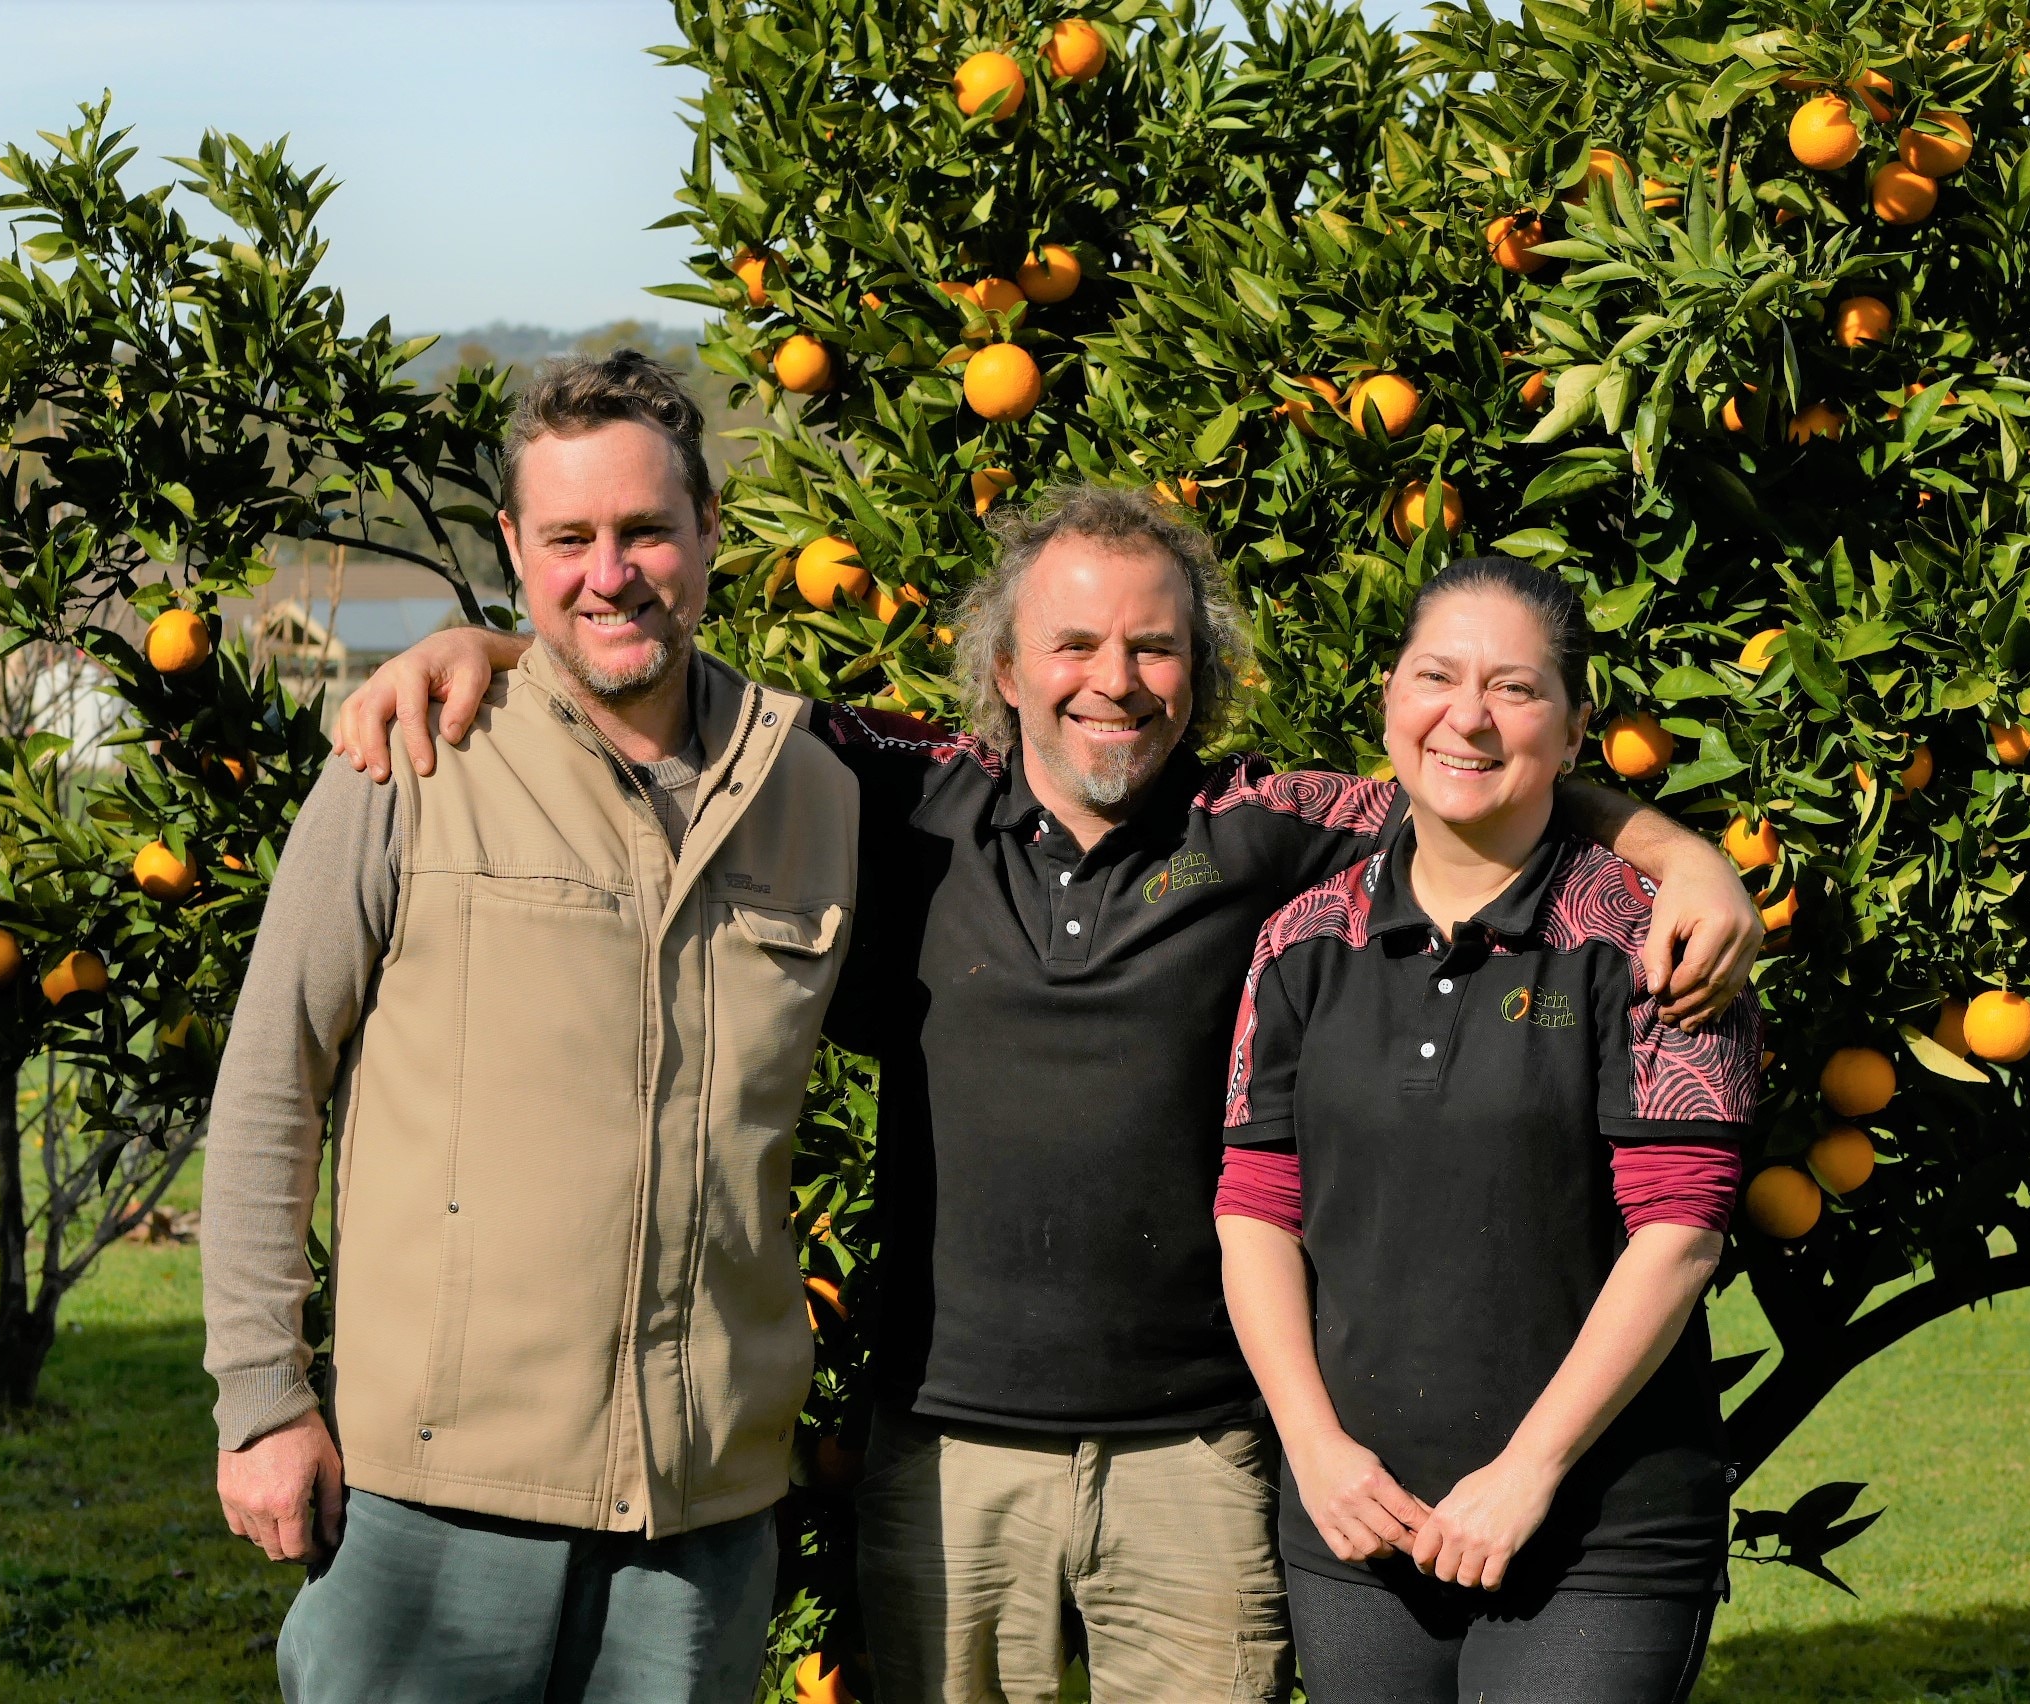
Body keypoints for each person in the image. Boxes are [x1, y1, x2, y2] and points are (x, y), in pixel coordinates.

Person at [334, 486, 1761, 1704]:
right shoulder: (899, 790)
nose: (1113, 680)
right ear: (1005, 668)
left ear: (1196, 672)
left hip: (1196, 1455)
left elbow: (1477, 770)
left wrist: (1683, 860)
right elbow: (674, 700)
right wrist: (489, 647)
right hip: (945, 1445)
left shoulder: (1264, 826)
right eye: (1071, 644)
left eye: (1154, 647)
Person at [202, 351, 859, 1703]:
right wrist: (262, 1398)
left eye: (643, 533)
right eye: (568, 539)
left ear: (709, 534)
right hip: (431, 1499)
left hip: (699, 1514)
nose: (608, 573)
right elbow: (273, 1080)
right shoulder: (411, 758)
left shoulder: (817, 795)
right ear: (514, 547)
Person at [1216, 556, 1759, 1704]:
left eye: (1515, 689)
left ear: (1573, 736)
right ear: (1388, 699)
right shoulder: (1301, 943)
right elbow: (1255, 1209)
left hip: (1593, 1535)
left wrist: (1528, 1470)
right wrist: (1314, 1451)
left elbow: (1683, 1233)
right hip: (1358, 1525)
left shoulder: (1652, 942)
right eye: (1436, 676)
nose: (1467, 716)